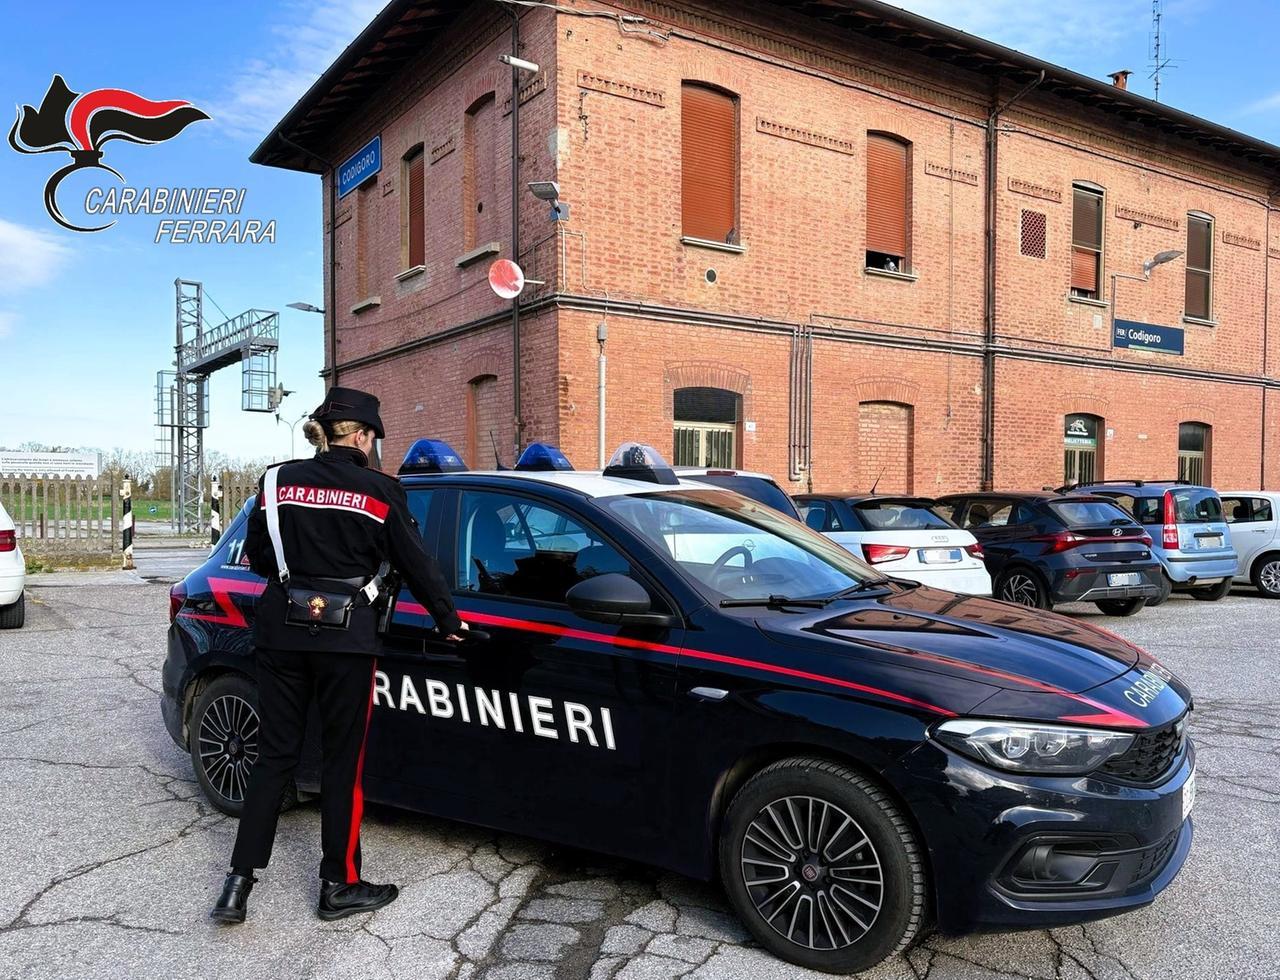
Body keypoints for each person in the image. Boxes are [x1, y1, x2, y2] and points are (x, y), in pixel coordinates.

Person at [211, 387, 466, 924]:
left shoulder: (275, 481)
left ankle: (237, 886)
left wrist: (302, 579)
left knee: (273, 758)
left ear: (323, 435)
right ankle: (339, 885)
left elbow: (258, 555)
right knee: (341, 763)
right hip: (347, 641)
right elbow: (417, 565)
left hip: (281, 633)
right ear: (364, 437)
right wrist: (448, 620)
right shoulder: (381, 491)